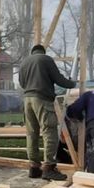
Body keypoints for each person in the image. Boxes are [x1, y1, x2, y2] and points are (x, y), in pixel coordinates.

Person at [18, 44, 77, 180]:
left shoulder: (24, 62)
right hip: (42, 99)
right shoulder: (46, 59)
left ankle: (34, 168)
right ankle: (49, 168)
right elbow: (58, 79)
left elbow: (22, 83)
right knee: (49, 132)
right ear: (43, 52)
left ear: (33, 52)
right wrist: (72, 84)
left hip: (27, 100)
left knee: (31, 133)